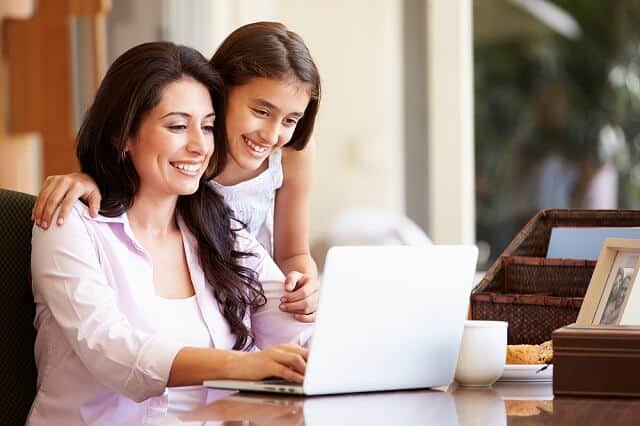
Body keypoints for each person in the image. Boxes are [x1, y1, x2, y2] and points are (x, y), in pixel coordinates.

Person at [28, 41, 313, 425]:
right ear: (123, 135)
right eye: (178, 126)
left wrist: (311, 307)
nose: (199, 146)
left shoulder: (219, 228)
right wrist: (241, 365)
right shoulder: (71, 224)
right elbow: (112, 351)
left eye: (208, 127)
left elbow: (296, 336)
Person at [31, 22, 321, 322]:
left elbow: (292, 254)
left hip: (254, 294)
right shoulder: (188, 154)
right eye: (261, 112)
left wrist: (305, 285)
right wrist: (90, 179)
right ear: (219, 91)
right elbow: (135, 180)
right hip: (193, 294)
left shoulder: (290, 154)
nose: (272, 135)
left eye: (290, 120)